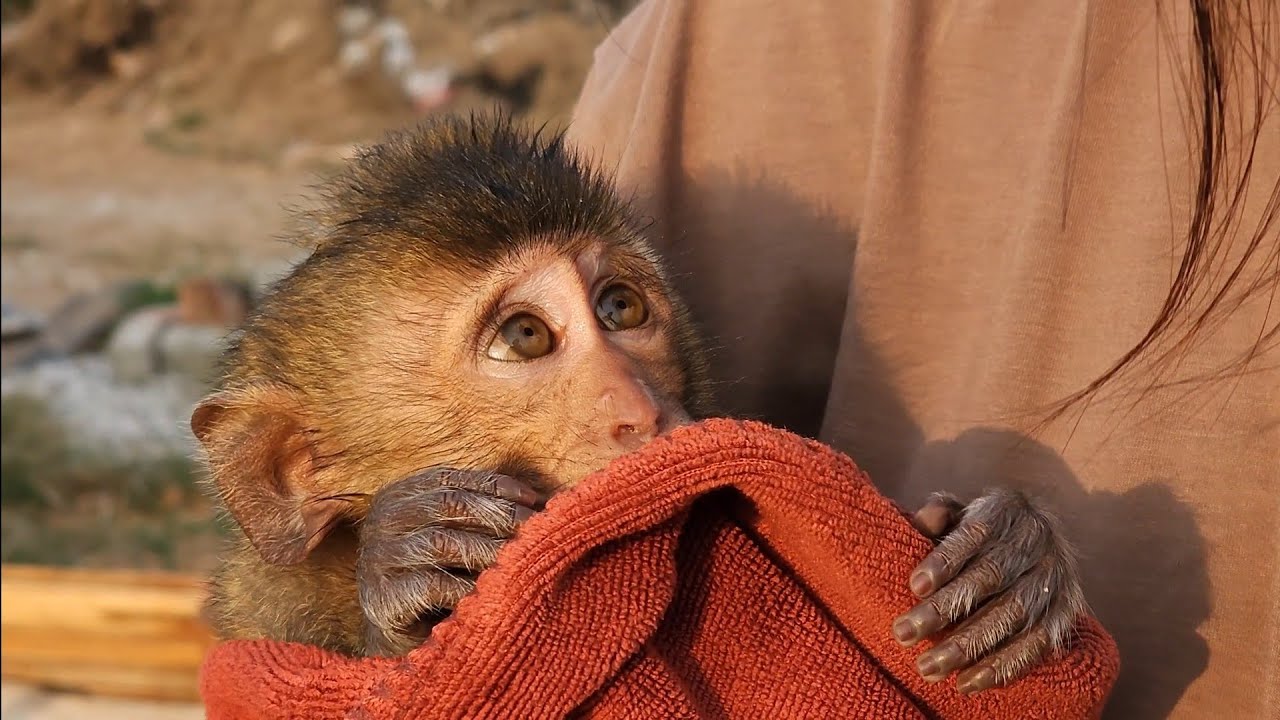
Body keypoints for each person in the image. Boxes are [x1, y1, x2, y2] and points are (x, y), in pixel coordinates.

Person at [563, 2, 1280, 718]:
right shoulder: (709, 44)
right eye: (529, 337)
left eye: (619, 311)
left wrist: (1002, 560)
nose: (639, 407)